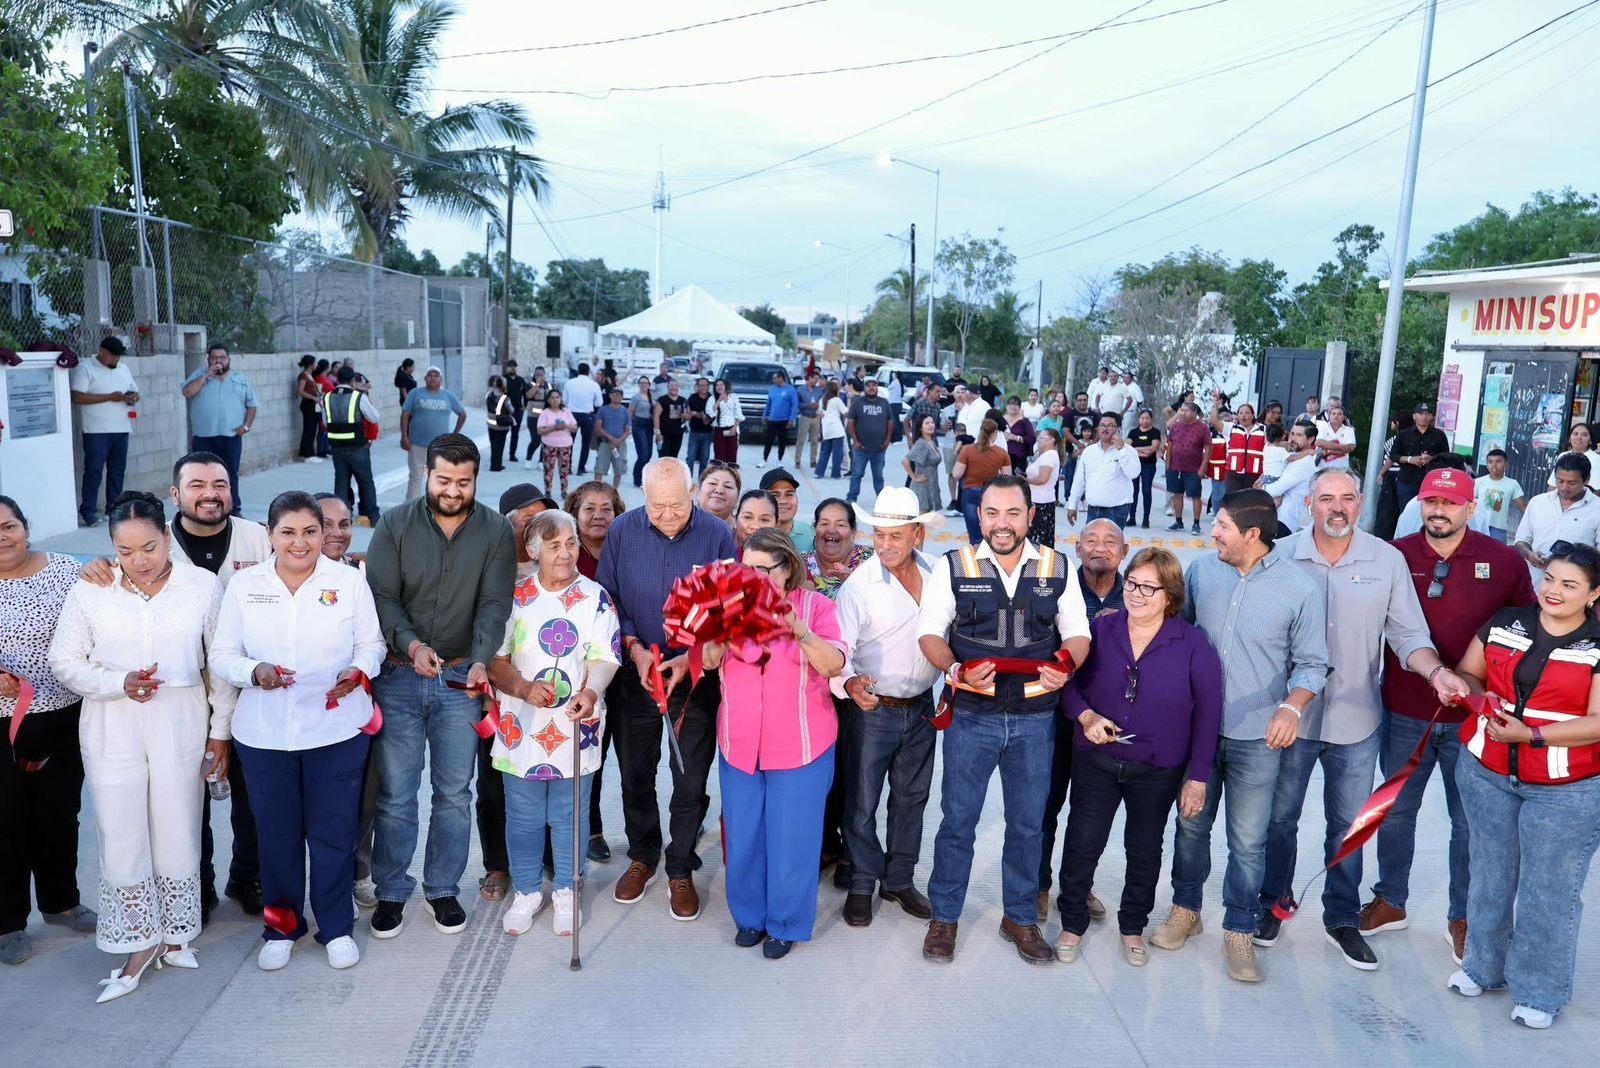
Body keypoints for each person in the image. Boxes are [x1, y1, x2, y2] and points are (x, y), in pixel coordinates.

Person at [1254, 468, 1466, 971]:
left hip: (1357, 720)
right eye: (1327, 498)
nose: (1338, 507)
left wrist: (1437, 672)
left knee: (1349, 826)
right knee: (1279, 820)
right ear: (1309, 503)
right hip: (1292, 720)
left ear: (1360, 503)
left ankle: (1342, 918)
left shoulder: (1386, 560)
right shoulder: (1278, 557)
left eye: (1347, 498)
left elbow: (1408, 635)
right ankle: (1272, 903)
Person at [48, 491, 234, 1003]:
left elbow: (220, 662)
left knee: (178, 823)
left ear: (167, 537)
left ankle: (174, 936)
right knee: (120, 828)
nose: (139, 560)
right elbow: (64, 661)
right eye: (125, 550)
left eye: (149, 547)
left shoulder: (201, 586)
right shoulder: (92, 589)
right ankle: (138, 941)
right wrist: (118, 682)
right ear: (111, 547)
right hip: (112, 721)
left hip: (181, 718)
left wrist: (220, 730)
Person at [75, 454, 271, 922]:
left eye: (220, 484)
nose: (210, 493)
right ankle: (194, 884)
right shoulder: (150, 544)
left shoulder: (258, 538)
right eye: (197, 484)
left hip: (248, 690)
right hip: (179, 697)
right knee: (184, 803)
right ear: (176, 494)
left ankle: (248, 877)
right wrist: (101, 564)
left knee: (251, 799)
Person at [1150, 489, 1329, 984]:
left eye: (1222, 526)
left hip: (1258, 738)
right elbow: (1176, 636)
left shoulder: (1300, 588)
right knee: (1190, 825)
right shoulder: (1202, 573)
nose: (1213, 533)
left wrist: (1292, 707)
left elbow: (1313, 664)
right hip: (1198, 732)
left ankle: (1239, 930)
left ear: (1252, 534)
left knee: (1248, 841)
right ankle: (1186, 909)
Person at [917, 474, 1093, 965]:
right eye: (992, 512)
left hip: (1036, 720)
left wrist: (1066, 666)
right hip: (972, 717)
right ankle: (945, 917)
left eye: (1013, 513)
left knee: (1028, 826)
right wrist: (954, 669)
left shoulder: (1057, 566)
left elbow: (1078, 633)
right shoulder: (954, 565)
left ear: (1030, 516)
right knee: (958, 821)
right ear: (979, 516)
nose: (1002, 523)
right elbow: (929, 632)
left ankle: (1019, 916)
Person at [1362, 468, 1534, 964]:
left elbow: (1527, 628)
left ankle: (1463, 915)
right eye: (1431, 502)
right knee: (1397, 810)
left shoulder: (1504, 561)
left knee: (1469, 820)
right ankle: (1391, 899)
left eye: (1450, 503)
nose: (1439, 511)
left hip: (1474, 719)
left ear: (1471, 507)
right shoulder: (1393, 555)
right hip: (1404, 709)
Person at [208, 490, 384, 972]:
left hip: (337, 731)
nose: (300, 542)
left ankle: (336, 927)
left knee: (333, 834)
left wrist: (358, 670)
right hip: (265, 736)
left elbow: (372, 644)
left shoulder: (349, 582)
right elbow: (222, 655)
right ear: (269, 535)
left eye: (310, 531)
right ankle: (281, 928)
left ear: (323, 533)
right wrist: (254, 671)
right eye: (287, 532)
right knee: (276, 838)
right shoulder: (245, 586)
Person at [364, 434, 516, 939]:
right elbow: (383, 598)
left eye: (463, 482)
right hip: (398, 677)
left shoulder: (495, 530)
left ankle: (442, 889)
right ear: (428, 474)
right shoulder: (394, 524)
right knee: (397, 794)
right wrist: (411, 646)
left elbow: (494, 604)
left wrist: (480, 660)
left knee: (453, 793)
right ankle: (391, 891)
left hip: (460, 680)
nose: (453, 490)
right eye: (444, 480)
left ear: (476, 479)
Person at [1449, 541, 1600, 1029]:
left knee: (1548, 890)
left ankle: (1539, 992)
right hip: (1486, 773)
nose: (1554, 591)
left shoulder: (1597, 645)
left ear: (1593, 595)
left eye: (1570, 585)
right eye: (1549, 578)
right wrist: (1477, 696)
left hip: (1565, 788)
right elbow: (1469, 672)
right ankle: (1483, 968)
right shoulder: (1505, 622)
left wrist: (1531, 735)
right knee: (1489, 873)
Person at [1054, 548, 1220, 966]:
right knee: (1082, 843)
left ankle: (1132, 926)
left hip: (1157, 768)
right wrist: (1086, 716)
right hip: (1096, 761)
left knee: (1144, 850)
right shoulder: (1100, 630)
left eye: (1149, 587)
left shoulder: (1193, 644)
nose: (1137, 594)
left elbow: (1208, 714)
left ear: (1170, 596)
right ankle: (1072, 922)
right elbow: (1067, 684)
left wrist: (1198, 777)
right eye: (1132, 583)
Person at [597, 458, 736, 920]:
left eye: (677, 505)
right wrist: (634, 648)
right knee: (635, 772)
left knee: (690, 777)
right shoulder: (622, 531)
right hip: (636, 674)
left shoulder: (717, 534)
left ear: (692, 492)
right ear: (643, 496)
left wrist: (689, 658)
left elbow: (728, 607)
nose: (668, 515)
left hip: (694, 677)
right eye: (657, 507)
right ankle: (643, 854)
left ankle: (680, 865)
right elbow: (608, 599)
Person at [703, 528, 845, 957]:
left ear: (787, 568)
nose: (754, 578)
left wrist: (801, 632)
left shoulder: (817, 607)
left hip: (801, 745)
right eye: (747, 568)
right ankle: (749, 918)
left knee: (792, 841)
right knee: (744, 836)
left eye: (764, 569)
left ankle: (785, 924)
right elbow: (707, 661)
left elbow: (834, 664)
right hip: (739, 742)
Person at [487, 511, 621, 938]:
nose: (565, 553)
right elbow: (495, 660)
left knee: (569, 815)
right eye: (554, 545)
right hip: (521, 726)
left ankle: (567, 889)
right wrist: (523, 687)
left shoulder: (596, 597)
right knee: (523, 816)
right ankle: (527, 891)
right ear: (533, 550)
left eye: (571, 543)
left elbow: (605, 657)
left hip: (574, 725)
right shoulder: (515, 596)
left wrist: (592, 691)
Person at [834, 490, 941, 929]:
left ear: (917, 534)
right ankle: (862, 883)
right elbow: (838, 652)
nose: (884, 544)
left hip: (923, 708)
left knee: (912, 799)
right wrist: (849, 684)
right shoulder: (859, 586)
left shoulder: (938, 573)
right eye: (879, 535)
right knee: (862, 802)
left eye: (895, 536)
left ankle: (898, 880)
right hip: (873, 709)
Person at [0, 497, 96, 965]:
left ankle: (61, 902)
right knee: (6, 821)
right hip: (3, 723)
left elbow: (95, 622)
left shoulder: (65, 571)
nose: (3, 537)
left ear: (25, 526)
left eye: (9, 525)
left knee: (60, 813)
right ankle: (7, 923)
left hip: (63, 714)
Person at [1038, 518, 1125, 926]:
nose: (1100, 547)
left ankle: (1076, 887)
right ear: (1077, 548)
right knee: (1045, 807)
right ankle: (1037, 884)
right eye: (1091, 540)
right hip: (1056, 718)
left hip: (1107, 724)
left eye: (1110, 541)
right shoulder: (1059, 590)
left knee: (1090, 816)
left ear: (1123, 552)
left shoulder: (1137, 594)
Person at [563, 480, 627, 861]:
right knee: (590, 755)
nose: (599, 515)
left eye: (607, 509)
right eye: (589, 508)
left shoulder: (626, 549)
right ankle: (591, 830)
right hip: (583, 671)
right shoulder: (567, 553)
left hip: (627, 666)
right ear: (575, 513)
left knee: (632, 757)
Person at [181, 346, 259, 516]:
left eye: (222, 357)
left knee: (230, 473)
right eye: (214, 357)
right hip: (203, 436)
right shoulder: (200, 375)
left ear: (228, 359)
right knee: (203, 473)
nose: (218, 361)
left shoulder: (240, 379)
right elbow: (187, 392)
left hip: (231, 436)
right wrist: (206, 375)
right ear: (208, 360)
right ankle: (205, 507)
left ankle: (233, 509)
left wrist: (246, 426)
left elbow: (252, 404)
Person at [71, 336, 140, 528]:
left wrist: (133, 397)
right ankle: (88, 511)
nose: (116, 359)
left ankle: (114, 508)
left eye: (119, 356)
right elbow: (78, 397)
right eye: (113, 355)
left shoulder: (123, 368)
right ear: (102, 351)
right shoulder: (85, 368)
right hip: (96, 431)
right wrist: (109, 397)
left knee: (117, 471)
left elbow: (135, 391)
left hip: (121, 428)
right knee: (93, 471)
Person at [1514, 452, 1600, 586]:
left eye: (1572, 483)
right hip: (1534, 585)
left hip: (1575, 589)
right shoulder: (1538, 502)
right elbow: (1521, 541)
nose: (1564, 488)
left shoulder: (1597, 509)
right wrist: (1529, 555)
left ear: (1586, 480)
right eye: (1560, 481)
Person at [322, 365, 381, 526]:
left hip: (337, 447)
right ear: (353, 380)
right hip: (357, 446)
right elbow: (374, 417)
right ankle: (373, 516)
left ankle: (341, 518)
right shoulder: (358, 397)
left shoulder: (327, 397)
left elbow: (325, 422)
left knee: (341, 483)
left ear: (337, 378)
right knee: (366, 481)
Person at [399, 367, 467, 500]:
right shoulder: (415, 394)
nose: (433, 378)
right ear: (425, 378)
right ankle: (411, 506)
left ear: (441, 379)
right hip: (417, 444)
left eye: (436, 376)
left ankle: (434, 504)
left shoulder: (448, 396)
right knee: (416, 476)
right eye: (430, 375)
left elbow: (462, 414)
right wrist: (404, 436)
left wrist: (454, 435)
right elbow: (405, 414)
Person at [1067, 414, 1140, 531]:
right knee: (1092, 542)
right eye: (1102, 425)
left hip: (1117, 511)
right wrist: (1072, 505)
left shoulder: (1128, 451)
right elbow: (1079, 480)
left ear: (1118, 429)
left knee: (1111, 542)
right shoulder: (1089, 452)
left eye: (1110, 426)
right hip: (1093, 510)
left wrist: (1121, 450)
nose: (1105, 429)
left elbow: (1134, 473)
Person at [953, 418, 1013, 545]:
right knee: (991, 531)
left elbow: (956, 474)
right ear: (995, 433)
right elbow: (1008, 478)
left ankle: (976, 554)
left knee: (974, 534)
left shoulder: (967, 450)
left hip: (970, 492)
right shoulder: (1002, 453)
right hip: (992, 494)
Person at [805, 498, 874, 600]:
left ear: (853, 531)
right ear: (815, 529)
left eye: (840, 525)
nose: (831, 530)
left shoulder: (872, 561)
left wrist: (853, 585)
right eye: (824, 524)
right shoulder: (800, 565)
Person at [1257, 421, 1317, 534]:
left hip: (1284, 522)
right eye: (1292, 433)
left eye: (1299, 435)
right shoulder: (1292, 455)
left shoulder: (1304, 462)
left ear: (1310, 439)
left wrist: (1259, 489)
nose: (1293, 438)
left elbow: (1276, 490)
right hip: (1275, 519)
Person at [1390, 402, 1450, 513]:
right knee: (1406, 512)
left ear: (1432, 417)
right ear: (1414, 416)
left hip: (1431, 481)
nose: (1424, 417)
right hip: (1407, 481)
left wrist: (1432, 459)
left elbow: (1446, 457)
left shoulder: (1439, 435)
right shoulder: (1403, 434)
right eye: (1420, 413)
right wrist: (1410, 459)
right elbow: (1394, 455)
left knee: (1428, 512)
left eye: (1427, 414)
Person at [1164, 401, 1208, 535]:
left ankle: (1196, 523)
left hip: (1194, 469)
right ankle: (1178, 522)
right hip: (1175, 467)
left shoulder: (1202, 428)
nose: (1183, 413)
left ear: (1194, 413)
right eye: (1181, 410)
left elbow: (1208, 448)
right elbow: (1170, 445)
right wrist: (1168, 465)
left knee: (1195, 496)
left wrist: (1202, 469)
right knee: (1177, 494)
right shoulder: (1175, 426)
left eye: (1186, 410)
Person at [846, 379, 893, 504]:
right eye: (868, 386)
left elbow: (890, 421)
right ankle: (852, 498)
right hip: (861, 448)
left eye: (874, 385)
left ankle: (881, 499)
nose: (871, 388)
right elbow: (850, 422)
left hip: (879, 448)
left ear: (877, 388)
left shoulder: (884, 403)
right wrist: (855, 441)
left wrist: (887, 440)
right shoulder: (857, 402)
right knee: (857, 474)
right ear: (864, 388)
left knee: (878, 476)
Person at [1475, 448, 1527, 545]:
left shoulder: (1513, 484)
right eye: (1490, 462)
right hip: (1479, 526)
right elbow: (1469, 502)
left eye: (1498, 461)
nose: (1494, 465)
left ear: (1506, 464)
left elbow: (1523, 507)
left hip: (1499, 529)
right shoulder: (1478, 482)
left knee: (1497, 554)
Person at [536, 389, 579, 498]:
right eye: (552, 398)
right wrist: (553, 428)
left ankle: (564, 490)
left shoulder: (566, 412)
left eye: (557, 397)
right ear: (548, 400)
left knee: (564, 469)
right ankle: (548, 491)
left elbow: (574, 427)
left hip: (565, 444)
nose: (555, 400)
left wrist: (565, 426)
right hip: (549, 444)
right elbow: (540, 430)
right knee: (548, 469)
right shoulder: (545, 413)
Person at [760, 468, 813, 552]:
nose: (783, 501)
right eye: (775, 495)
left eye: (789, 494)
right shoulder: (754, 534)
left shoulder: (810, 534)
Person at [1024, 428, 1061, 546]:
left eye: (1042, 438)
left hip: (1041, 502)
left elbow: (1042, 479)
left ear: (1051, 440)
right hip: (1038, 500)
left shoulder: (1049, 456)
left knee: (1039, 540)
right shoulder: (1045, 456)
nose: (1038, 440)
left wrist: (1025, 480)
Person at [904, 414, 944, 516]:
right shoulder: (921, 444)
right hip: (922, 486)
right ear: (920, 428)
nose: (931, 425)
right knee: (920, 519)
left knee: (925, 519)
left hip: (931, 484)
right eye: (927, 423)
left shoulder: (931, 442)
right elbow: (905, 460)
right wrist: (914, 477)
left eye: (932, 422)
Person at [1127, 410, 1161, 528]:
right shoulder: (1133, 432)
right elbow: (1127, 447)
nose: (1145, 420)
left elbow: (1153, 448)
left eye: (1147, 418)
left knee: (1146, 491)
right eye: (1142, 418)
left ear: (1151, 419)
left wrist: (1136, 449)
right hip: (1134, 465)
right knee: (1133, 491)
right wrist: (1143, 451)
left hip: (1148, 465)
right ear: (1139, 419)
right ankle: (1132, 517)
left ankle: (1146, 519)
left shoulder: (1155, 432)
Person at [1223, 403, 1266, 495]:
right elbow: (1215, 421)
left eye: (1247, 413)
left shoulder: (1263, 429)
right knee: (1232, 500)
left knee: (1250, 500)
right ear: (1237, 416)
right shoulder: (1231, 428)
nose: (1243, 415)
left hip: (1254, 474)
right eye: (1241, 413)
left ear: (1253, 415)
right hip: (1233, 473)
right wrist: (1216, 405)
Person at [1546, 420, 1600, 492]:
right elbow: (1552, 485)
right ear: (1569, 439)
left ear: (1590, 440)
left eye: (1584, 435)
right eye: (1575, 434)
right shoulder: (1563, 455)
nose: (1579, 437)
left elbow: (1596, 490)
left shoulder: (1596, 459)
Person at [594, 389, 631, 491]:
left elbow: (628, 430)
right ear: (610, 396)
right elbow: (598, 427)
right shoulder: (602, 410)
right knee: (599, 468)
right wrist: (611, 439)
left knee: (619, 470)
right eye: (614, 394)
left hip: (620, 445)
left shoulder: (625, 412)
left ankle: (614, 491)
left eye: (619, 395)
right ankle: (597, 491)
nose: (617, 397)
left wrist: (618, 440)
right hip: (605, 443)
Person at [761, 370, 798, 466]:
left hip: (784, 420)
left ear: (781, 378)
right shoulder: (772, 389)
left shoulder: (790, 390)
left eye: (775, 378)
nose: (773, 380)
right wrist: (764, 415)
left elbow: (794, 405)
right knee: (768, 440)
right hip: (772, 419)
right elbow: (768, 404)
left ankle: (779, 460)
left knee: (782, 441)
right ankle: (764, 459)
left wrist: (792, 419)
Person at [816, 380, 849, 480]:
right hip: (837, 429)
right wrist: (850, 401)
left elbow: (819, 413)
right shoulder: (837, 400)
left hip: (826, 429)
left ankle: (819, 472)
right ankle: (835, 474)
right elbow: (845, 412)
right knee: (837, 453)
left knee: (825, 451)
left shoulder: (822, 400)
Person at [793, 371, 825, 470]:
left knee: (815, 440)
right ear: (809, 378)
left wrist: (818, 406)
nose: (816, 381)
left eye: (817, 379)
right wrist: (807, 405)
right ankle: (797, 460)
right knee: (801, 439)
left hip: (816, 417)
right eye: (815, 378)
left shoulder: (819, 391)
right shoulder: (800, 390)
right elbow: (797, 403)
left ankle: (813, 460)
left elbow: (823, 403)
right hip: (805, 416)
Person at [630, 377, 657, 487]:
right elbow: (630, 413)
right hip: (639, 425)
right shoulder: (636, 397)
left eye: (646, 383)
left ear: (649, 384)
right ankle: (637, 478)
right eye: (641, 383)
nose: (644, 385)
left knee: (649, 454)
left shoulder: (652, 397)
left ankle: (643, 476)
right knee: (643, 454)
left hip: (649, 425)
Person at [685, 378, 714, 478]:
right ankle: (688, 480)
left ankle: (702, 481)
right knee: (690, 458)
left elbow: (711, 415)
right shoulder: (692, 397)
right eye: (701, 385)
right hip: (694, 432)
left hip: (707, 433)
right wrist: (698, 414)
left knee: (704, 459)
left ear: (708, 386)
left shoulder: (712, 399)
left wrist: (696, 414)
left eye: (705, 385)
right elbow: (688, 414)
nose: (703, 387)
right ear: (697, 386)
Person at [295, 355, 322, 462]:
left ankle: (307, 452)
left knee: (313, 428)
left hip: (314, 404)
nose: (316, 365)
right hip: (308, 404)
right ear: (310, 365)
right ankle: (308, 454)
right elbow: (300, 391)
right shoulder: (303, 376)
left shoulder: (310, 375)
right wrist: (313, 397)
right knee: (308, 429)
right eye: (314, 363)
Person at [734, 490, 777, 557]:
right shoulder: (720, 552)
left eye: (764, 520)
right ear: (736, 519)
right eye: (748, 517)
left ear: (776, 523)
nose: (755, 526)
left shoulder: (785, 559)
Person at [485, 375, 515, 473]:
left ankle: (493, 464)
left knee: (493, 445)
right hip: (501, 425)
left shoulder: (489, 395)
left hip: (490, 424)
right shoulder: (505, 398)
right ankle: (497, 466)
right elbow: (511, 410)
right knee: (500, 446)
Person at [1314, 403, 1357, 469]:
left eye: (1339, 414)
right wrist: (1342, 447)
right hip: (1322, 468)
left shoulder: (1349, 430)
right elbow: (1319, 443)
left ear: (1343, 417)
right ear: (1329, 416)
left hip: (1341, 468)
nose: (1336, 416)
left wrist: (1328, 451)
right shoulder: (1322, 427)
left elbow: (1350, 448)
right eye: (1333, 414)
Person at [502, 361, 529, 465]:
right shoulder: (503, 379)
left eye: (514, 367)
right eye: (510, 367)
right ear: (507, 368)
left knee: (515, 433)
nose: (512, 368)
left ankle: (512, 454)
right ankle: (499, 453)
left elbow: (525, 394)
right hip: (505, 411)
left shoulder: (520, 380)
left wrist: (524, 406)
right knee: (503, 432)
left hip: (518, 410)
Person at [522, 366, 550, 469]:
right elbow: (529, 395)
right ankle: (528, 459)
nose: (539, 376)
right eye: (537, 374)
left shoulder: (548, 386)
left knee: (545, 440)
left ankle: (541, 461)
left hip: (546, 417)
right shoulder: (530, 385)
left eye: (541, 374)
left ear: (544, 375)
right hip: (533, 417)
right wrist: (537, 385)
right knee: (536, 440)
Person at [697, 461, 741, 525]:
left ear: (738, 497)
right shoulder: (682, 524)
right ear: (698, 490)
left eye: (728, 486)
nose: (719, 490)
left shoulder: (744, 529)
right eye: (713, 483)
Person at [710, 378, 742, 465]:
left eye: (721, 385)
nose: (719, 387)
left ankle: (730, 472)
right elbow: (712, 413)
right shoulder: (712, 398)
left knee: (731, 456)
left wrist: (734, 428)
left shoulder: (733, 397)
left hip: (732, 428)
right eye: (717, 385)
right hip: (719, 429)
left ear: (725, 386)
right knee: (720, 456)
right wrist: (719, 400)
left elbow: (738, 413)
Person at [655, 378, 688, 460]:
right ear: (668, 387)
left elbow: (688, 416)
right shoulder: (662, 400)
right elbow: (656, 416)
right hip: (664, 435)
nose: (674, 387)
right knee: (663, 458)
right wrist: (657, 432)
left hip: (677, 435)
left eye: (675, 386)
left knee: (674, 458)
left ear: (678, 387)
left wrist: (686, 416)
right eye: (671, 385)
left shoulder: (683, 400)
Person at [1003, 396, 1037, 475]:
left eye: (1016, 404)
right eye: (1011, 404)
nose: (1013, 406)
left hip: (1019, 458)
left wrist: (1016, 438)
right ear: (1006, 406)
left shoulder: (1024, 421)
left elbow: (1032, 439)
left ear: (1019, 407)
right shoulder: (1000, 420)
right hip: (1002, 456)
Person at [1120, 372, 1144, 437]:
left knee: (1128, 428)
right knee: (1122, 428)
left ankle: (1127, 441)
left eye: (1127, 378)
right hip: (1121, 411)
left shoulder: (1135, 387)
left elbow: (1140, 400)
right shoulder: (1122, 386)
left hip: (1130, 411)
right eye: (1124, 377)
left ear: (1132, 379)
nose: (1125, 379)